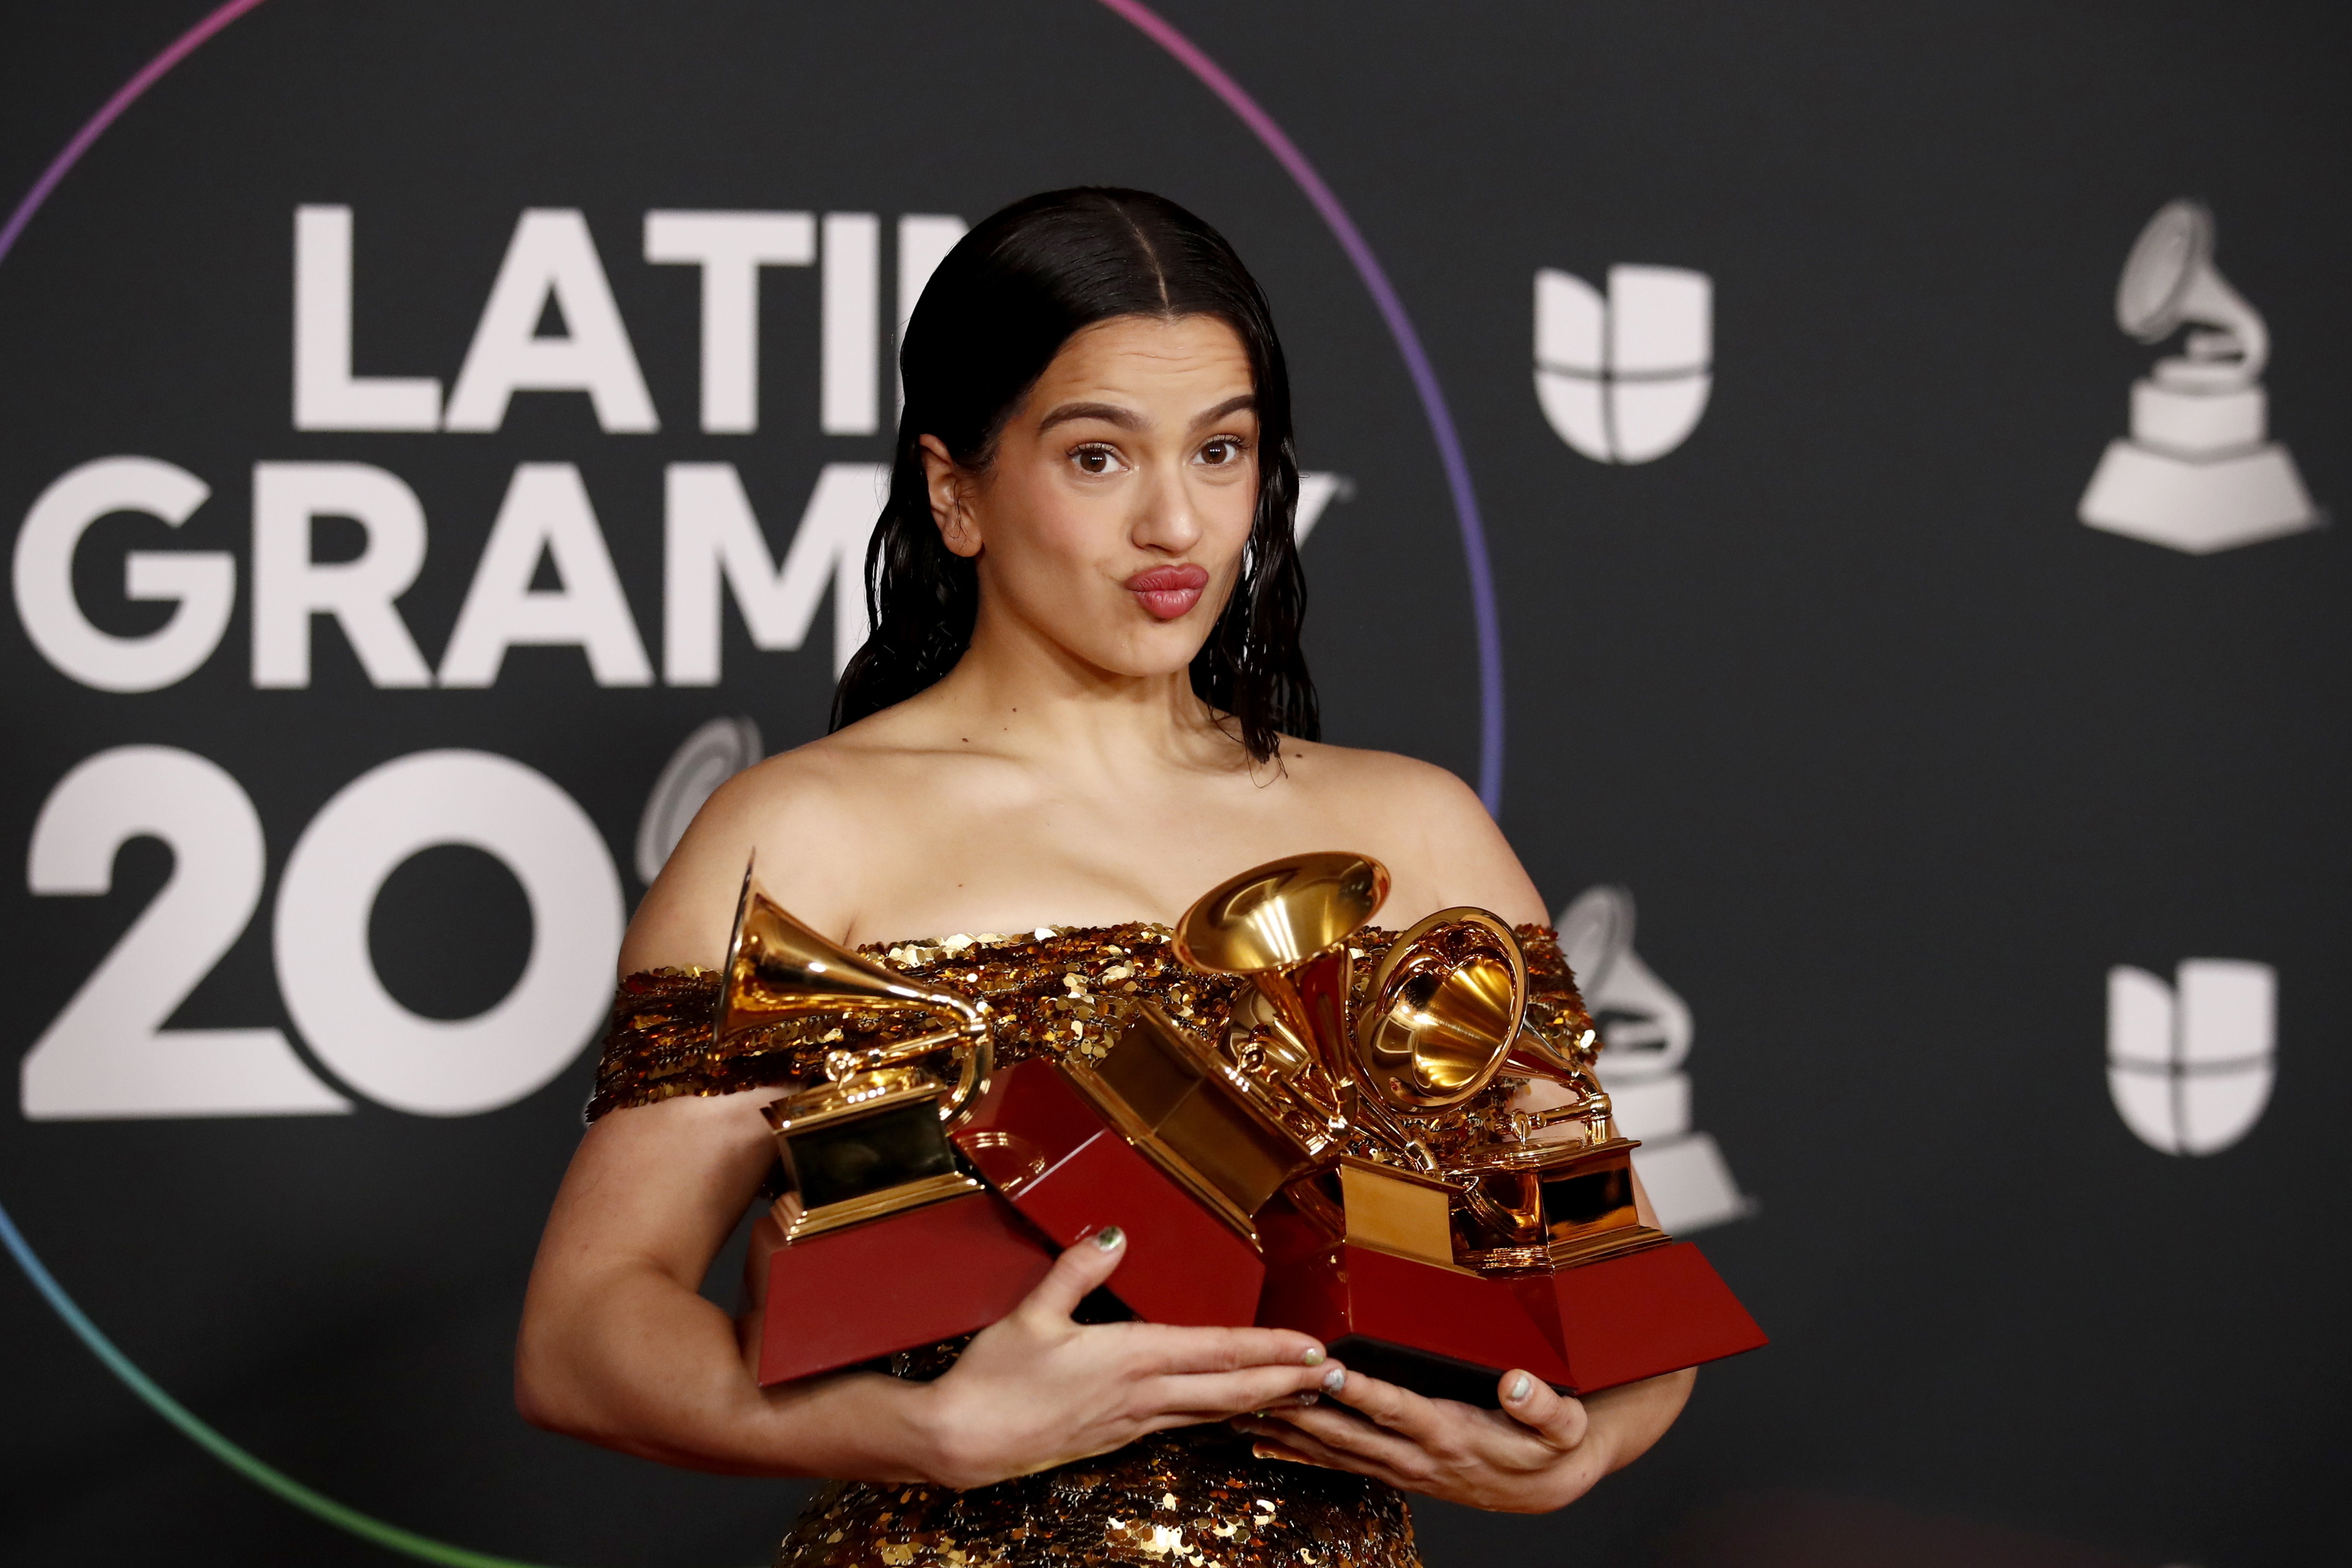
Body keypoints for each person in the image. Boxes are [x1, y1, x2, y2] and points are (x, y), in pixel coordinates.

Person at [515, 187, 1693, 1567]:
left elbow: (1619, 1277)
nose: (1174, 525)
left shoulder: (1412, 827)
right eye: (1095, 457)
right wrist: (919, 1434)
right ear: (956, 490)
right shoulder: (802, 834)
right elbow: (586, 1331)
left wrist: (1574, 1453)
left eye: (1221, 450)